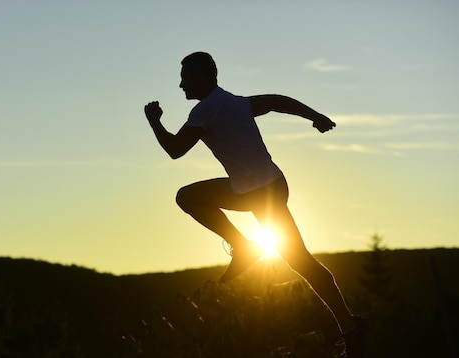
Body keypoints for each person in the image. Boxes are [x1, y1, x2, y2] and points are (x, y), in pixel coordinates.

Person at [144, 52, 368, 357]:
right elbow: (276, 101)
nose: (180, 84)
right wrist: (314, 115)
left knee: (188, 198)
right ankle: (350, 327)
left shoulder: (205, 110)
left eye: (184, 76)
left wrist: (155, 122)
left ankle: (244, 247)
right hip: (268, 186)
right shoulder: (235, 102)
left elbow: (174, 150)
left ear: (200, 75)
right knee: (300, 259)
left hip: (257, 193)